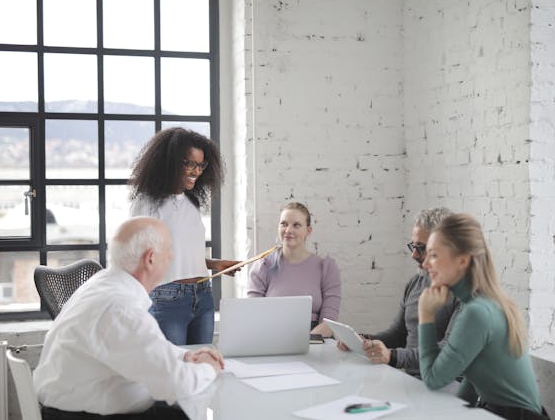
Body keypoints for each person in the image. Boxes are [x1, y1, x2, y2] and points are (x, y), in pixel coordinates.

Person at [34, 216, 224, 420]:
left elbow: (146, 350)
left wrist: (185, 356)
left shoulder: (102, 284)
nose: (172, 256)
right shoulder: (120, 308)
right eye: (169, 249)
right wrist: (209, 368)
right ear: (150, 259)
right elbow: (177, 385)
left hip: (71, 407)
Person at [418, 214, 548, 420]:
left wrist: (425, 315)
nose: (425, 264)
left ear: (462, 260)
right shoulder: (484, 303)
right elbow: (474, 380)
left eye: (433, 255)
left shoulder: (477, 312)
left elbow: (433, 378)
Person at [129, 127, 239, 345]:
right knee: (173, 371)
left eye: (200, 165)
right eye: (188, 163)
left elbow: (181, 252)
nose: (196, 171)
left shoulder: (191, 203)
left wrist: (215, 264)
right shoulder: (147, 202)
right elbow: (137, 256)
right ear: (168, 162)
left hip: (203, 296)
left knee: (201, 369)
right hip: (168, 298)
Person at [338, 207, 458, 377]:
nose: (414, 255)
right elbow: (399, 334)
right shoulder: (416, 283)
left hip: (447, 385)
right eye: (413, 246)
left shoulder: (464, 294)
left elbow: (450, 350)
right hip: (412, 381)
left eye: (422, 248)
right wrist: (363, 342)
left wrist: (393, 357)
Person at [247, 202, 341, 337]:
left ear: (308, 230)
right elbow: (253, 316)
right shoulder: (263, 266)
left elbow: (329, 323)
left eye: (296, 225)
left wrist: (304, 343)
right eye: (284, 224)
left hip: (316, 341)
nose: (288, 230)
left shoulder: (326, 268)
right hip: (271, 339)